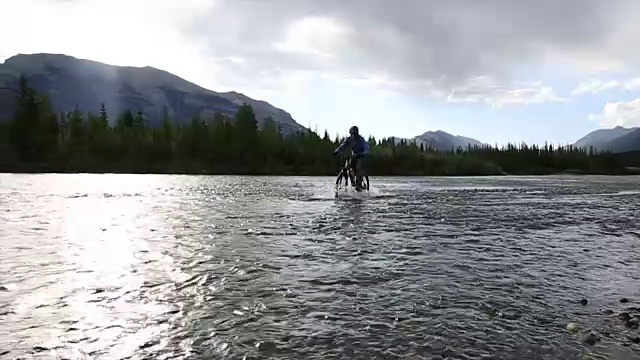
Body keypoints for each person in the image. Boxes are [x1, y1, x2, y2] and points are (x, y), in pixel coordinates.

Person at [333, 125, 370, 190]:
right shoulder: (348, 139)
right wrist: (337, 151)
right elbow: (343, 146)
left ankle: (359, 182)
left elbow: (366, 147)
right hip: (354, 155)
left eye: (355, 134)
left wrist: (364, 153)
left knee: (358, 168)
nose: (353, 136)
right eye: (352, 134)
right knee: (348, 166)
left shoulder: (361, 139)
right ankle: (351, 181)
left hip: (361, 156)